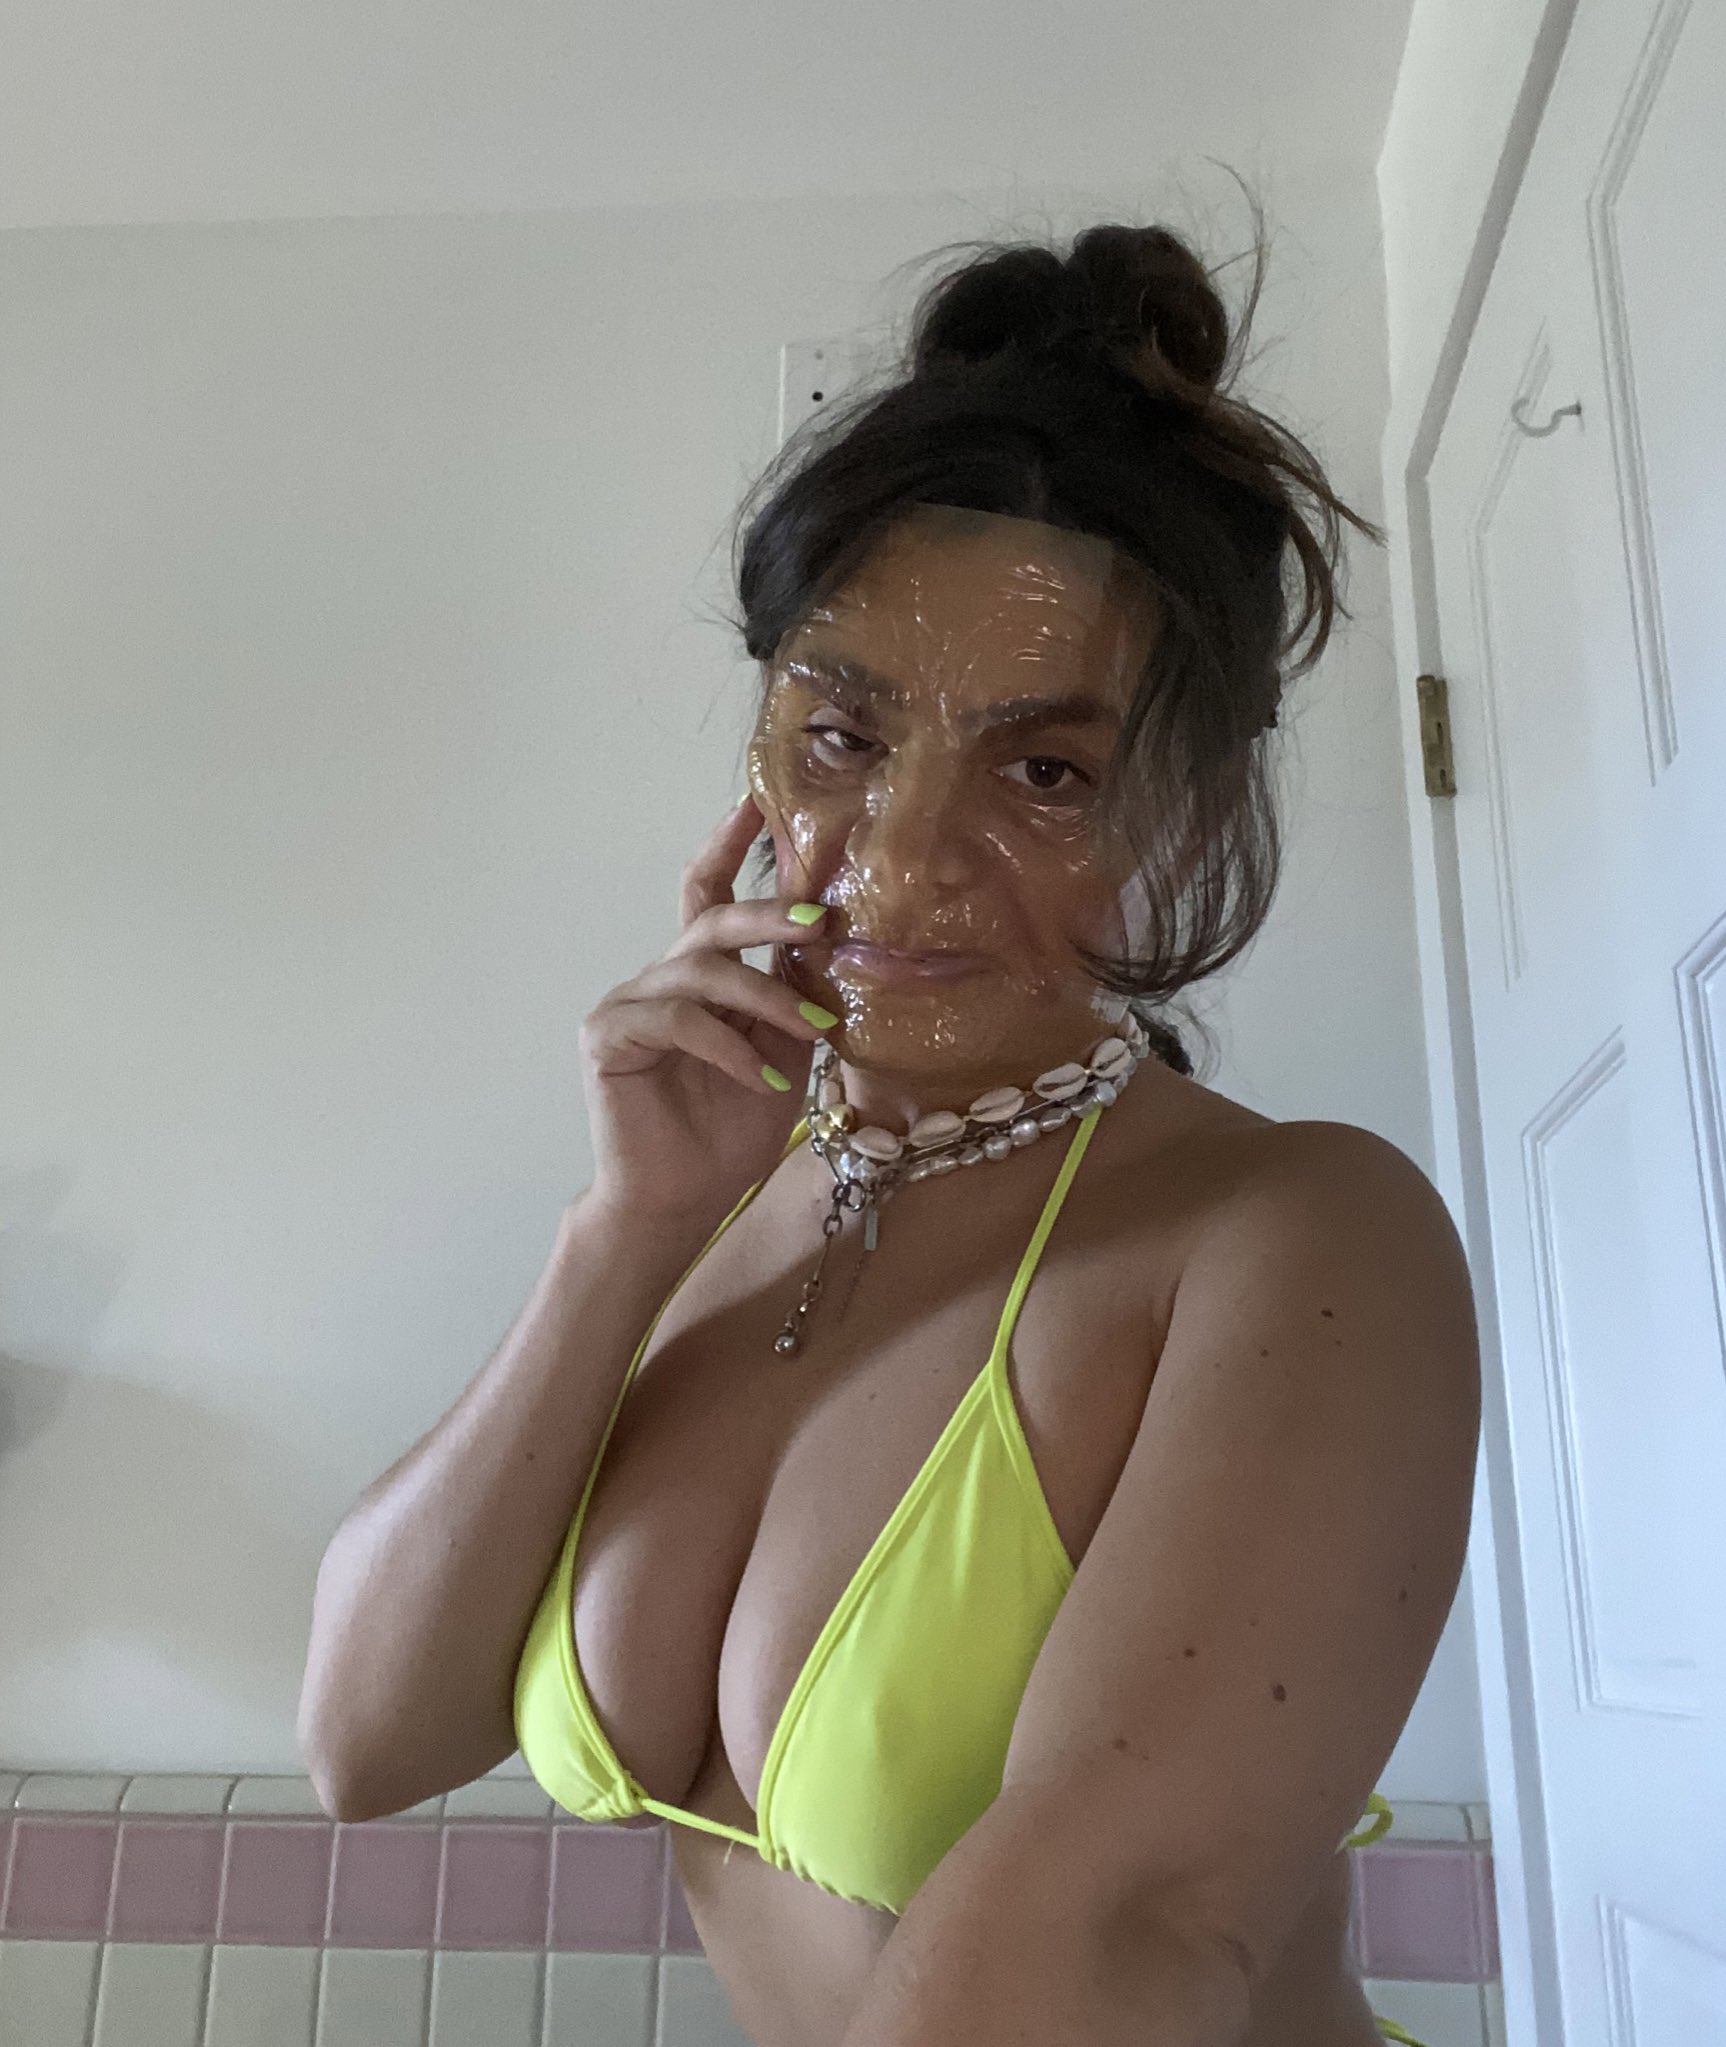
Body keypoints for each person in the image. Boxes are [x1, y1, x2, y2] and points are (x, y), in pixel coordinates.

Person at [299, 213, 1480, 2047]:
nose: (901, 858)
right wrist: (622, 1233)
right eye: (843, 738)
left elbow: (1122, 1935)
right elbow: (366, 1744)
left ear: (1183, 815)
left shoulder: (1296, 1232)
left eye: (1044, 770)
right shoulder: (709, 1206)